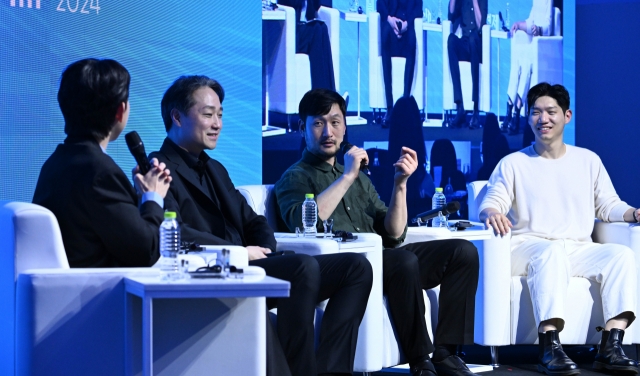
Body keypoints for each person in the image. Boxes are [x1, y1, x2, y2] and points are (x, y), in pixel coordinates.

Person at [149, 75, 372, 376]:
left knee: (355, 267)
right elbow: (175, 234)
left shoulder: (214, 167)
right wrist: (240, 251)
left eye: (220, 115)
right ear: (177, 117)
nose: (217, 124)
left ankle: (332, 370)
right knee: (302, 267)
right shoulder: (156, 169)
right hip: (215, 269)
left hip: (249, 265)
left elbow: (251, 219)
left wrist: (264, 247)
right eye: (207, 114)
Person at [275, 88, 480, 376]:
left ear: (345, 127)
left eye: (335, 122)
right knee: (403, 261)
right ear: (302, 128)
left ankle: (446, 352)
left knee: (462, 252)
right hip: (348, 268)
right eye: (318, 123)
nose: (328, 132)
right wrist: (347, 176)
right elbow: (300, 222)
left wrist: (400, 184)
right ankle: (421, 360)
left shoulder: (359, 177)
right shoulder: (296, 177)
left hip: (384, 258)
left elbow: (393, 233)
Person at [479, 83, 639, 375]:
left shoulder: (588, 160)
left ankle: (611, 346)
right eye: (536, 113)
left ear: (567, 116)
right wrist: (491, 211)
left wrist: (633, 213)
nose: (543, 119)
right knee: (551, 252)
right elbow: (492, 200)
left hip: (575, 247)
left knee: (621, 256)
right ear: (528, 118)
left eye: (551, 112)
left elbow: (608, 205)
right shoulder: (513, 163)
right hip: (526, 246)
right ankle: (549, 345)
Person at [32, 58, 172, 268]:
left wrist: (141, 197)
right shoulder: (100, 172)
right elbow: (147, 252)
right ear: (120, 111)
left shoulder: (56, 162)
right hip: (101, 295)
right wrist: (153, 197)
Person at [501, 0, 553, 135]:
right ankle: (510, 110)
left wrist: (539, 29)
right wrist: (519, 24)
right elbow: (531, 22)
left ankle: (517, 111)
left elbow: (549, 26)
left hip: (542, 47)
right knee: (517, 64)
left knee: (525, 63)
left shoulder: (549, 2)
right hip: (532, 45)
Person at [377, 0, 422, 125]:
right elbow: (380, 4)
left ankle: (406, 101)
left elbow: (418, 8)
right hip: (391, 27)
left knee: (412, 41)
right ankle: (390, 108)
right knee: (385, 35)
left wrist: (406, 24)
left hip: (407, 26)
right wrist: (390, 20)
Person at [277, 0, 336, 91]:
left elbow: (317, 6)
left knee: (322, 27)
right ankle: (321, 97)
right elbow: (293, 3)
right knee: (317, 29)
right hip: (290, 34)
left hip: (303, 30)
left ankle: (330, 95)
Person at [447, 0, 487, 129]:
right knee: (451, 40)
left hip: (476, 44)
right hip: (465, 44)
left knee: (472, 40)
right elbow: (451, 15)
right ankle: (460, 107)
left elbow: (481, 25)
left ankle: (475, 109)